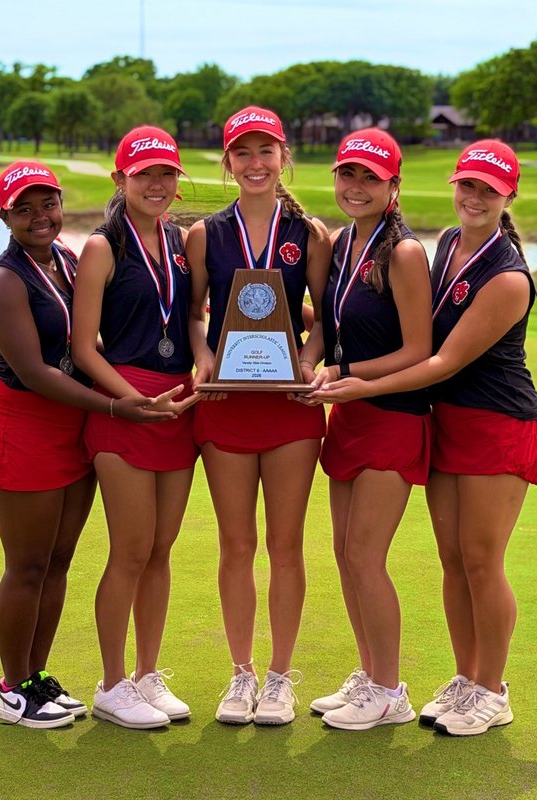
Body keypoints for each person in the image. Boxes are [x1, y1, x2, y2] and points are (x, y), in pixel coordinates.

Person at [309, 140, 537, 736]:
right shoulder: (446, 244)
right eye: (467, 185)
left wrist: (352, 382)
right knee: (453, 560)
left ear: (508, 198)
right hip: (445, 418)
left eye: (488, 190)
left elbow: (441, 359)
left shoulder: (508, 279)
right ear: (454, 185)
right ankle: (467, 677)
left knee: (482, 560)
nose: (474, 198)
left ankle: (491, 689)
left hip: (496, 423)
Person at [0, 161, 175, 729]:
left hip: (70, 426)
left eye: (48, 205)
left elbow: (93, 337)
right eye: (24, 209)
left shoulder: (66, 260)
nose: (40, 217)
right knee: (27, 565)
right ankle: (12, 689)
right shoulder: (3, 280)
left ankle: (36, 677)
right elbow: (33, 371)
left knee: (57, 561)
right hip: (24, 425)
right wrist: (116, 406)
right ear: (3, 215)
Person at [186, 106, 331, 725]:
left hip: (289, 407)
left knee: (285, 544)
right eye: (242, 153)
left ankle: (279, 678)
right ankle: (241, 674)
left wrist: (308, 358)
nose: (254, 164)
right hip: (226, 405)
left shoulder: (312, 232)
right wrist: (203, 358)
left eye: (265, 152)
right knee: (236, 543)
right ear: (227, 162)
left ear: (284, 157)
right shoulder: (204, 234)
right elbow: (196, 313)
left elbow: (323, 317)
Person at [295, 129, 432, 730]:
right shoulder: (345, 242)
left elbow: (418, 349)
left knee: (365, 556)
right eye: (347, 175)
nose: (355, 187)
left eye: (370, 178)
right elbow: (330, 318)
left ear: (393, 187)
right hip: (348, 411)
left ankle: (388, 688)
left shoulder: (402, 252)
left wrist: (343, 370)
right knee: (343, 554)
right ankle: (368, 672)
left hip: (393, 415)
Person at [71, 126, 200, 730]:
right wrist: (129, 400)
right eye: (143, 173)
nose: (157, 184)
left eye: (167, 173)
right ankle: (112, 683)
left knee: (160, 550)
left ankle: (148, 675)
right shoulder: (103, 246)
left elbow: (195, 317)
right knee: (129, 549)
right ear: (120, 179)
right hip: (124, 404)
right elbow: (83, 346)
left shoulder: (180, 240)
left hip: (178, 403)